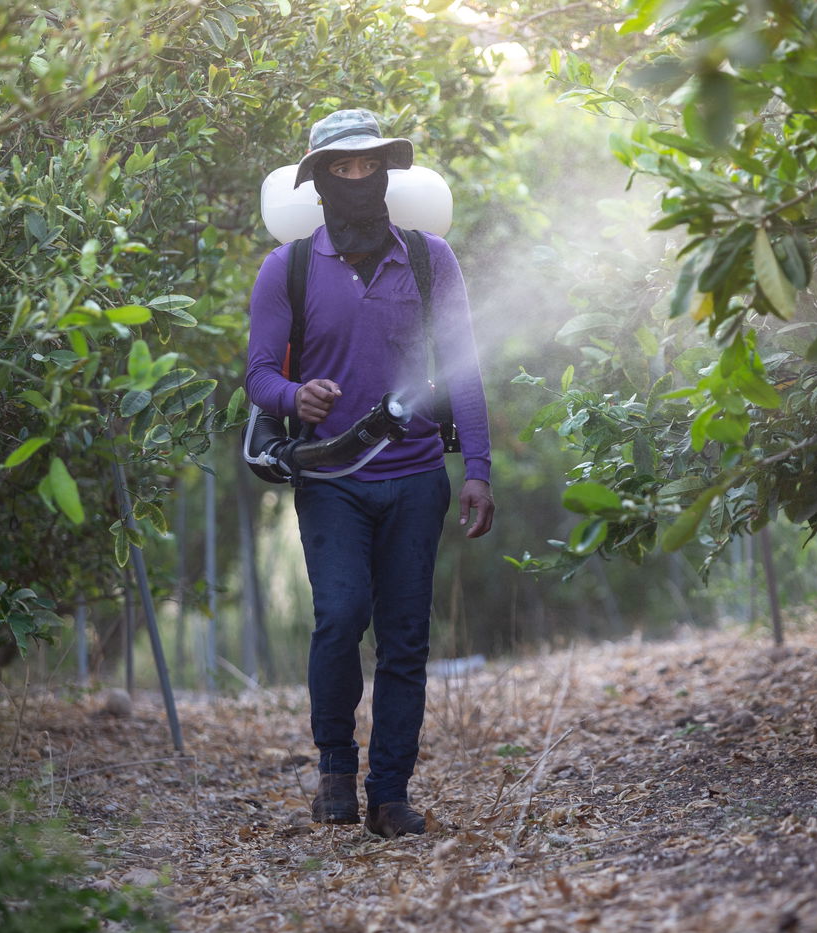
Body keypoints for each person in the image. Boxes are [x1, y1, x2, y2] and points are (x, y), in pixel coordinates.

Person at [245, 109, 494, 838]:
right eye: (341, 170)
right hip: (332, 481)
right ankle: (333, 768)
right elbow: (258, 374)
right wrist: (296, 396)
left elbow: (465, 372)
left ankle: (389, 793)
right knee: (342, 614)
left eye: (368, 168)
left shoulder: (429, 259)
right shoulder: (286, 268)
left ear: (386, 174)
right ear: (318, 181)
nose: (357, 180)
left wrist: (476, 467)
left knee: (406, 636)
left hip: (418, 478)